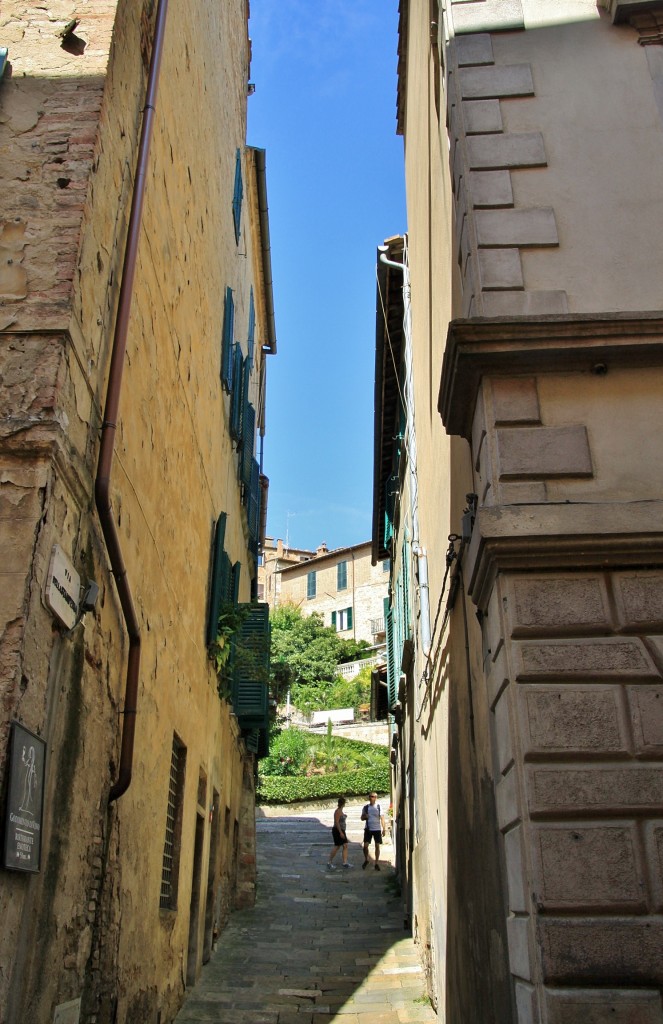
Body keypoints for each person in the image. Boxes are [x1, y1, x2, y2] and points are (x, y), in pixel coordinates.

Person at [361, 792, 386, 870]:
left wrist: (384, 829)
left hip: (377, 829)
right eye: (370, 796)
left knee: (377, 846)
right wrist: (365, 816)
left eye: (373, 796)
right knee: (365, 846)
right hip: (368, 829)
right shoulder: (365, 807)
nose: (371, 798)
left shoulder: (379, 807)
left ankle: (376, 863)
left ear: (376, 798)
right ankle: (366, 859)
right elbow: (362, 818)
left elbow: (382, 818)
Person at [327, 796, 352, 869]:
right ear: (343, 804)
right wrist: (340, 832)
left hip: (342, 830)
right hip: (337, 830)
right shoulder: (337, 811)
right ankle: (329, 862)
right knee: (337, 846)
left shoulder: (341, 811)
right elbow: (337, 822)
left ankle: (345, 862)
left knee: (345, 845)